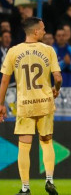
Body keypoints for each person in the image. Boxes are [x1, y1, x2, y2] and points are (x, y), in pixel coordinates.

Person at [0, 17, 62, 195]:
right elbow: (58, 78)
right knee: (47, 142)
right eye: (43, 29)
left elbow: (4, 80)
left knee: (24, 146)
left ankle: (25, 188)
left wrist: (1, 104)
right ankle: (49, 180)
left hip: (25, 105)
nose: (44, 31)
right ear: (35, 31)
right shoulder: (48, 50)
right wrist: (56, 89)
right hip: (45, 103)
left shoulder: (13, 51)